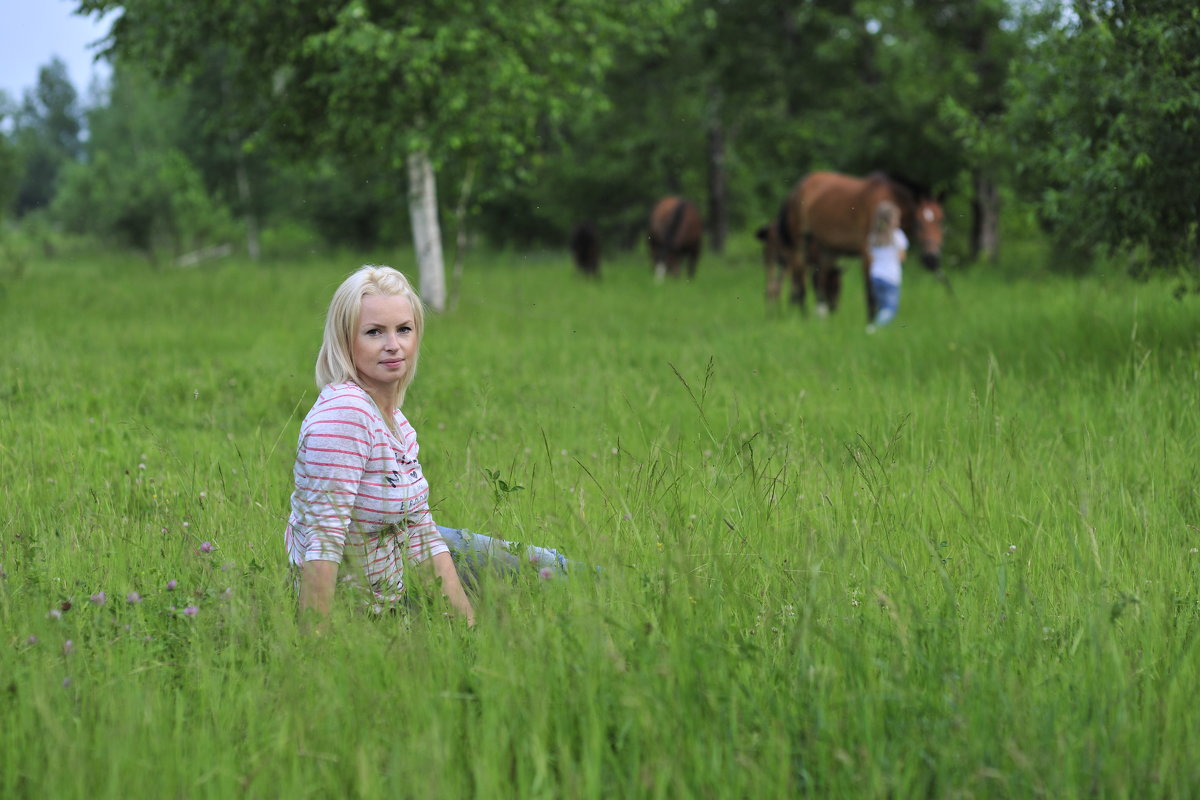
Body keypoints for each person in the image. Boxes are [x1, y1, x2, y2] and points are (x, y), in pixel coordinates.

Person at [284, 265, 572, 630]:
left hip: (393, 575)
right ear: (345, 340)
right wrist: (315, 649)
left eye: (403, 329)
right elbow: (323, 541)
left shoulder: (396, 421)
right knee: (550, 572)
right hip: (362, 612)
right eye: (374, 332)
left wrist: (468, 631)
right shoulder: (346, 414)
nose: (394, 345)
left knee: (543, 566)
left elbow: (422, 533)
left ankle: (626, 592)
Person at [865, 200, 907, 332]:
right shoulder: (898, 236)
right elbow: (901, 257)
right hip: (891, 277)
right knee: (890, 309)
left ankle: (877, 330)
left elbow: (870, 257)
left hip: (876, 276)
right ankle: (874, 327)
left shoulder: (873, 237)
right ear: (891, 220)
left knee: (882, 306)